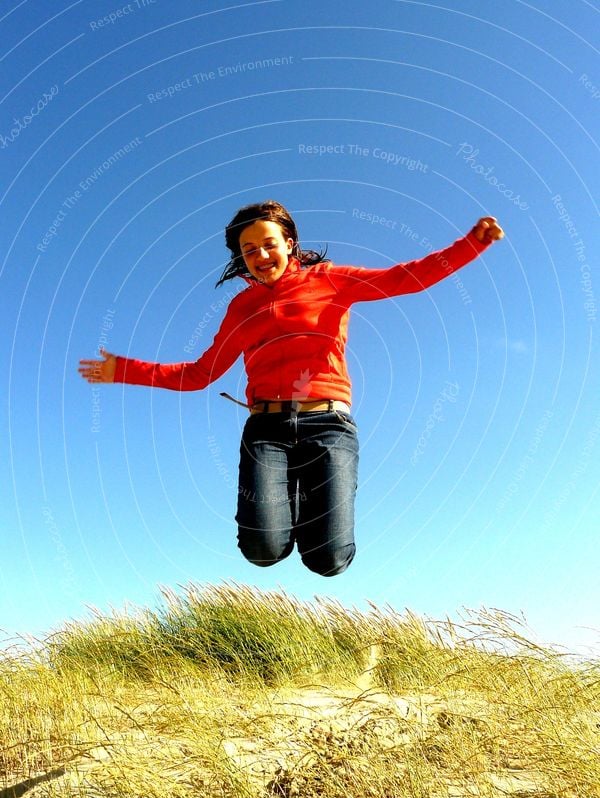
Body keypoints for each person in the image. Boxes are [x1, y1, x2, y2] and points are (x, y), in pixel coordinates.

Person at [79, 200, 503, 577]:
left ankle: (308, 497)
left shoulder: (331, 280)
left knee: (328, 560)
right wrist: (123, 369)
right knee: (262, 551)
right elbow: (199, 374)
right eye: (249, 250)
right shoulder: (241, 308)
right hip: (266, 432)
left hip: (328, 427)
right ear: (241, 259)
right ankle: (286, 496)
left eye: (268, 244)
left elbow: (406, 278)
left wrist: (470, 245)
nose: (260, 256)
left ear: (289, 242)